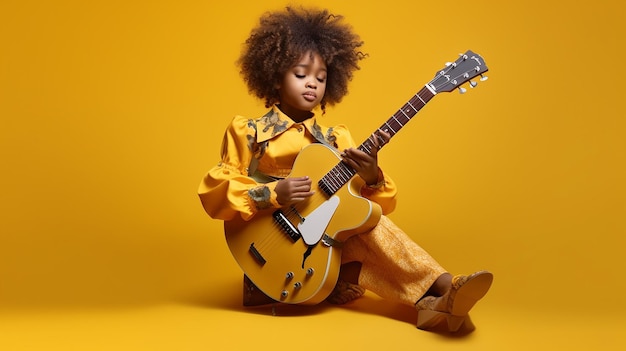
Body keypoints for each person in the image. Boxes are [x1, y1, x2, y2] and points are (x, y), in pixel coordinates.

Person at [198, 6, 492, 332]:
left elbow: (364, 208)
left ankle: (438, 300)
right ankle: (446, 288)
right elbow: (216, 190)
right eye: (301, 75)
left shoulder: (335, 139)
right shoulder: (249, 131)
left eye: (321, 78)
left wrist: (371, 177)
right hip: (271, 245)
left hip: (321, 251)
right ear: (274, 76)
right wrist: (272, 193)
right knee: (373, 235)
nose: (312, 84)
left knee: (372, 225)